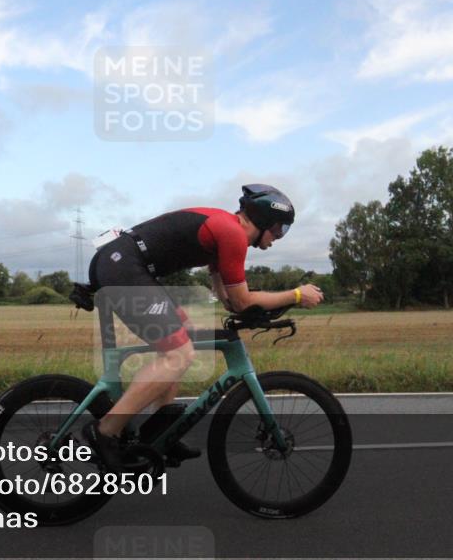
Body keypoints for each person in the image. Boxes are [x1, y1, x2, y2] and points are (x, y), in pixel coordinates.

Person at [82, 184, 324, 470]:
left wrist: (246, 307)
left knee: (179, 334)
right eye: (280, 230)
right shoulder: (232, 233)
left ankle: (161, 433)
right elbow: (243, 300)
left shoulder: (226, 230)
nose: (279, 238)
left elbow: (231, 299)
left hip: (125, 263)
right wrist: (296, 295)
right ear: (263, 221)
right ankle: (106, 430)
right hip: (124, 266)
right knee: (179, 354)